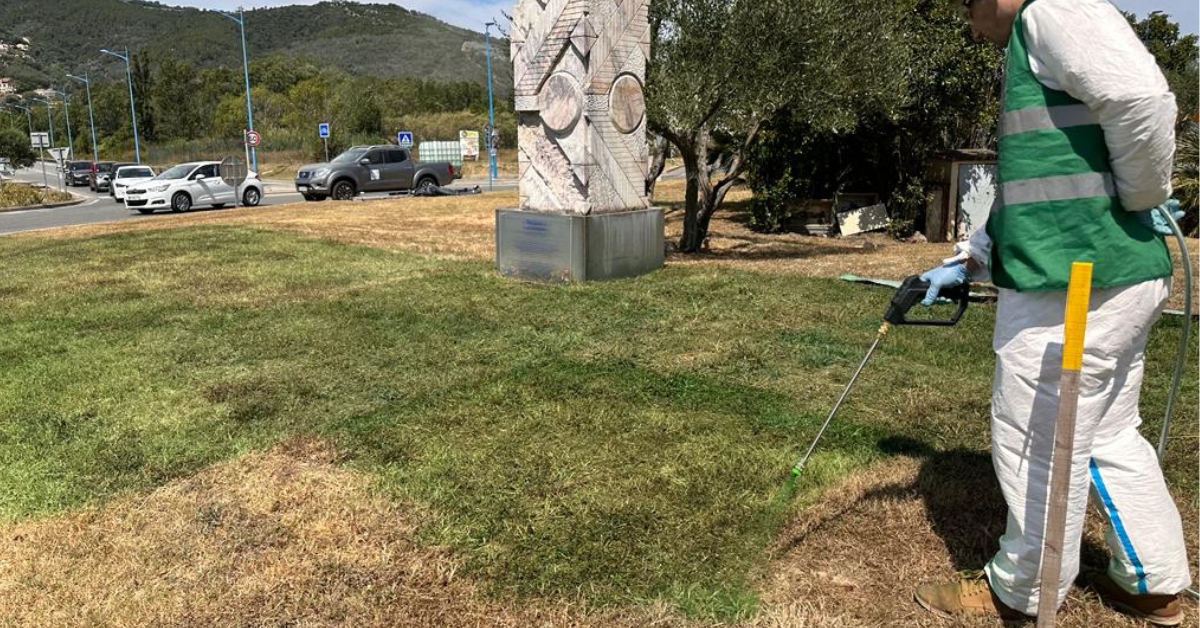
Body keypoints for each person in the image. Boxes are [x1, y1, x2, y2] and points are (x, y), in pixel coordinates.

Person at [911, 0, 1192, 625]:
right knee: (1108, 433)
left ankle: (1022, 593)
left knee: (1036, 438)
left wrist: (1143, 192)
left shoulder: (1052, 12)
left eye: (966, 6)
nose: (968, 22)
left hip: (1073, 283)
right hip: (1107, 274)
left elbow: (1143, 99)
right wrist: (972, 258)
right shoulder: (1044, 37)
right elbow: (1038, 181)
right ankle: (1152, 584)